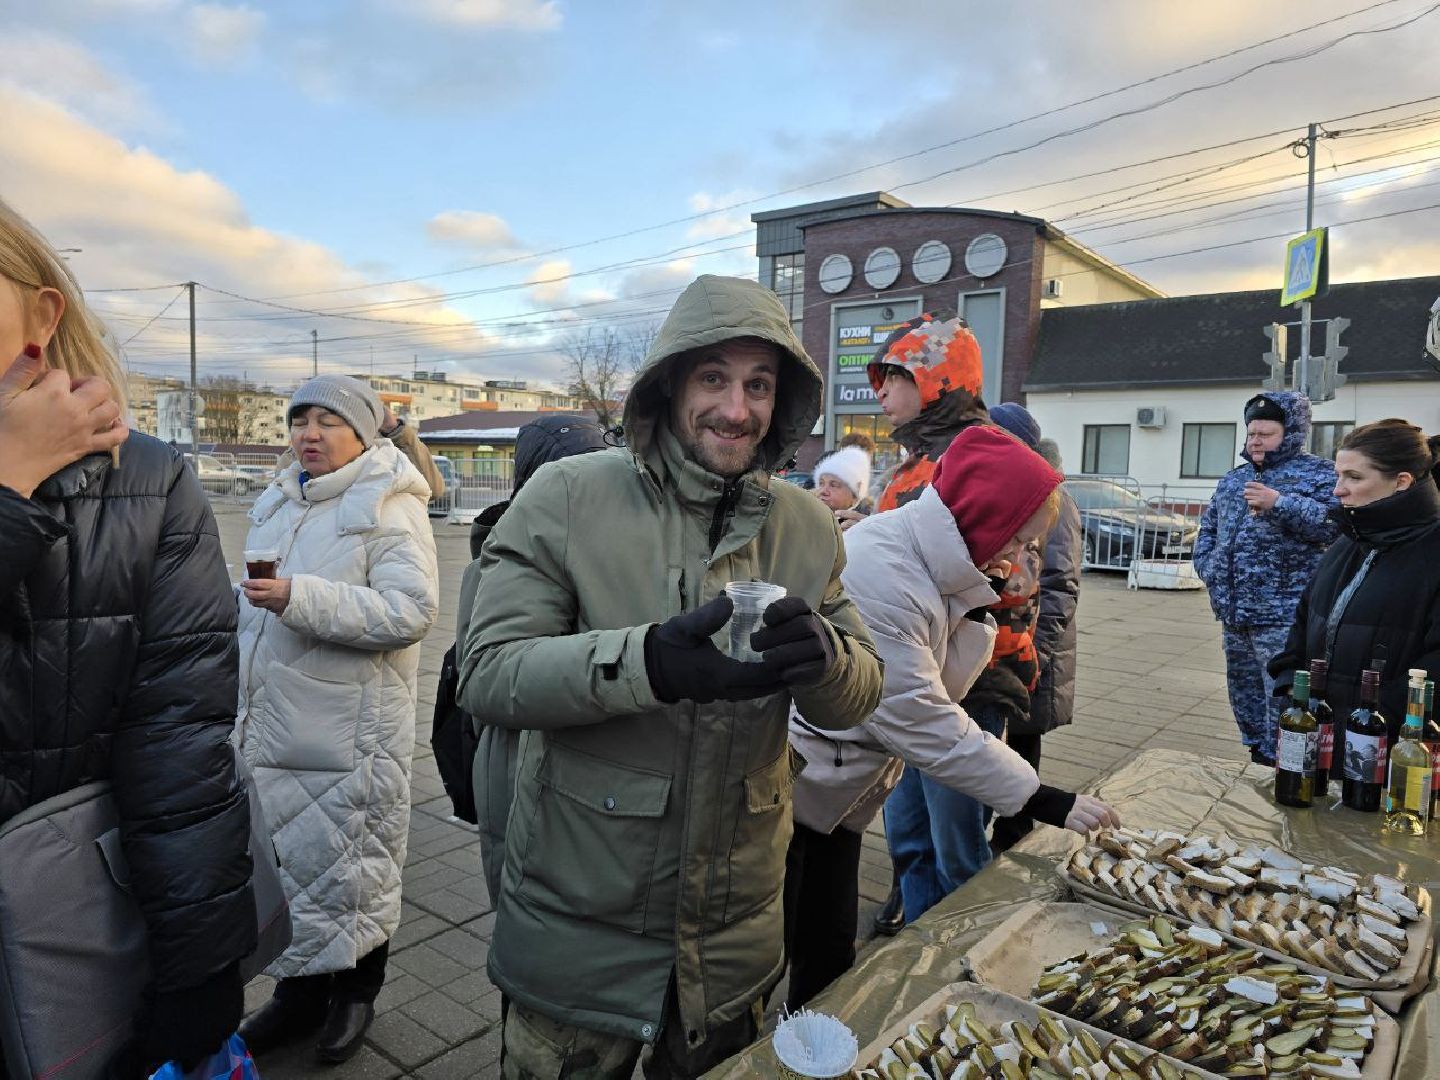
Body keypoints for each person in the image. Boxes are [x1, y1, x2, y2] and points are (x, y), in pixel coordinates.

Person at [455, 274, 883, 1079]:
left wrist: (826, 660)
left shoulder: (807, 522)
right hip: (581, 938)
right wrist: (645, 662)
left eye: (759, 385)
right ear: (669, 386)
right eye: (713, 378)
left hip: (736, 944)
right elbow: (488, 673)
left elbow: (865, 685)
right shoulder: (569, 497)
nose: (737, 409)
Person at [0, 198, 255, 1075]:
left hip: (64, 934)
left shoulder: (145, 482)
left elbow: (178, 733)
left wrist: (200, 959)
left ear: (42, 314)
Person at [784, 426, 1118, 1008]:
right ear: (984, 516)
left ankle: (809, 1035)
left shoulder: (934, 559)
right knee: (802, 944)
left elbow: (943, 683)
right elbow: (923, 716)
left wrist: (976, 597)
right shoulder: (886, 576)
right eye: (1016, 540)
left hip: (836, 780)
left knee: (826, 943)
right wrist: (1043, 798)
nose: (1017, 559)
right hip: (803, 784)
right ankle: (786, 1054)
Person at [235, 374, 440, 1063]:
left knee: (353, 867)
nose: (309, 435)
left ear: (362, 432)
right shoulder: (279, 497)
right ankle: (297, 996)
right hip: (275, 725)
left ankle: (356, 995)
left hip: (348, 734)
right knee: (293, 866)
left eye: (328, 421)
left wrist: (300, 596)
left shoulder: (387, 501)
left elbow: (410, 612)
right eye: (299, 421)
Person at [451, 413, 610, 903]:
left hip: (577, 766)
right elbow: (483, 680)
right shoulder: (498, 562)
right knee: (523, 900)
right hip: (515, 760)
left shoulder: (603, 550)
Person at [866, 311, 989, 935]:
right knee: (909, 838)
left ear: (936, 373)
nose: (879, 393)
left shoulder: (981, 459)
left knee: (958, 852)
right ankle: (917, 949)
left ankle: (968, 959)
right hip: (912, 677)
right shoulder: (913, 465)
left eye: (893, 376)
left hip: (964, 684)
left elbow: (1009, 581)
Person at [1269, 419, 1440, 747]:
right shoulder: (1347, 543)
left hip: (1390, 754)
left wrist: (1374, 722)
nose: (1338, 489)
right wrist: (1294, 683)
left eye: (1354, 477)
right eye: (1339, 475)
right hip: (1320, 738)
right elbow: (1305, 619)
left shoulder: (1432, 552)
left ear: (1401, 482)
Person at [1193, 391, 1338, 764]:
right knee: (1245, 696)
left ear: (1290, 434)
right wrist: (1207, 567)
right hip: (1235, 615)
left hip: (1283, 616)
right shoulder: (1233, 480)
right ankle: (1258, 757)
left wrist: (1280, 503)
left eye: (1266, 433)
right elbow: (1209, 528)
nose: (1255, 441)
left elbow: (1333, 528)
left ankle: (1288, 767)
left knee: (1285, 698)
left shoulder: (1318, 474)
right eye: (1251, 433)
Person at [987, 404, 1083, 854]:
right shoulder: (1003, 488)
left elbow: (1061, 583)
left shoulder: (1053, 498)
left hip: (1033, 648)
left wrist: (1037, 656)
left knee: (1022, 741)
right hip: (1008, 645)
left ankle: (1014, 838)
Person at [812, 444, 870, 515]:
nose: (823, 491)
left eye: (833, 485)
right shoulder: (810, 515)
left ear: (855, 494)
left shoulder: (866, 523)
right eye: (821, 483)